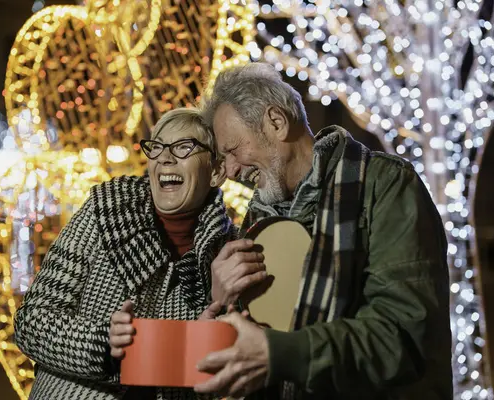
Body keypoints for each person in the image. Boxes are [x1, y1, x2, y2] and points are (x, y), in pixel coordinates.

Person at [194, 63, 453, 399]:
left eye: (232, 150)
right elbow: (251, 341)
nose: (229, 171)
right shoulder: (258, 220)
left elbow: (402, 337)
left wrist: (280, 354)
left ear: (276, 122)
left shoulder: (385, 186)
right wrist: (223, 300)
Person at [14, 107, 237, 399]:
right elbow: (30, 323)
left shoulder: (228, 249)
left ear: (216, 171)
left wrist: (206, 342)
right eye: (156, 148)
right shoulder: (102, 212)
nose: (165, 158)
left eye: (184, 147)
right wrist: (102, 345)